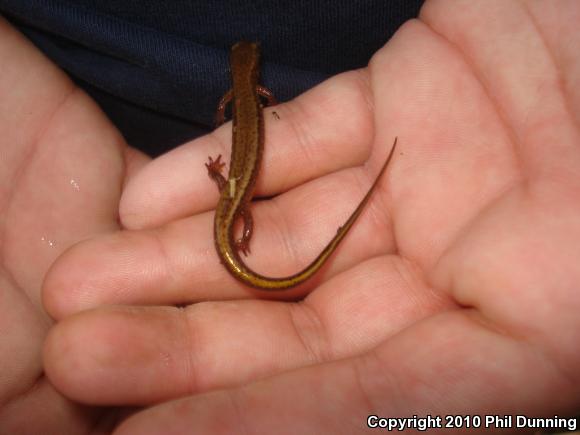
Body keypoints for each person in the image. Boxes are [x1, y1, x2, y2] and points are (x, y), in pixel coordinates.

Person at [1, 1, 579, 433]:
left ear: (243, 77)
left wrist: (229, 192)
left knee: (234, 198)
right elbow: (247, 110)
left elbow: (229, 111)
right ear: (249, 75)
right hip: (212, 172)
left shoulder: (235, 103)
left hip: (236, 186)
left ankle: (243, 233)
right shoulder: (253, 100)